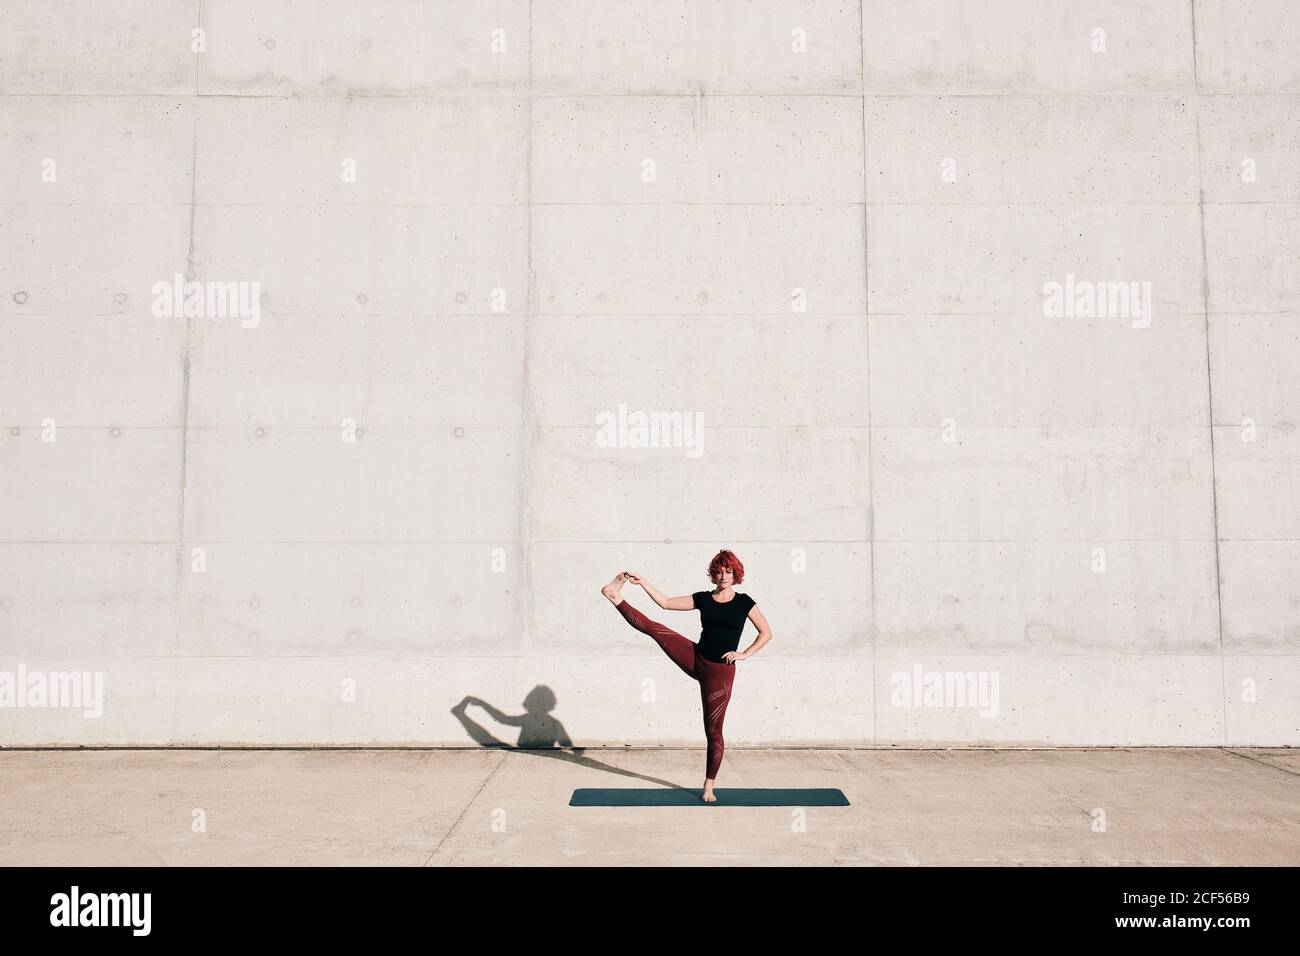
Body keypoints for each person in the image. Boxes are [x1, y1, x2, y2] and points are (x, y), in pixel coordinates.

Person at [600, 549, 773, 803]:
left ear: (736, 574)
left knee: (713, 731)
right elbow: (666, 603)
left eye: (729, 571)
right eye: (719, 571)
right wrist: (644, 583)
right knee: (656, 629)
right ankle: (614, 595)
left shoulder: (745, 602)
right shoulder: (703, 598)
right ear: (713, 574)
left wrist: (744, 654)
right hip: (696, 657)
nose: (724, 575)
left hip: (719, 674)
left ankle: (709, 784)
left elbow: (766, 633)